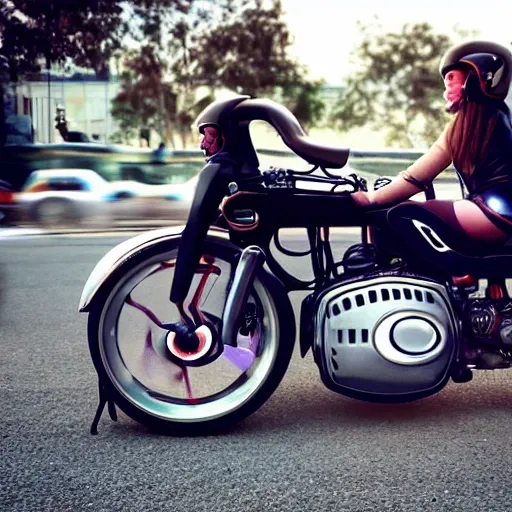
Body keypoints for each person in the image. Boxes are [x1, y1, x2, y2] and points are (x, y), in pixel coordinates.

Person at [352, 40, 512, 245]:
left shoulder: (470, 123)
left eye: (456, 73)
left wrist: (371, 198)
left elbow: (416, 178)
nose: (448, 81)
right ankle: (459, 275)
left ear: (483, 75)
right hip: (496, 211)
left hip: (494, 212)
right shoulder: (498, 117)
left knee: (399, 214)